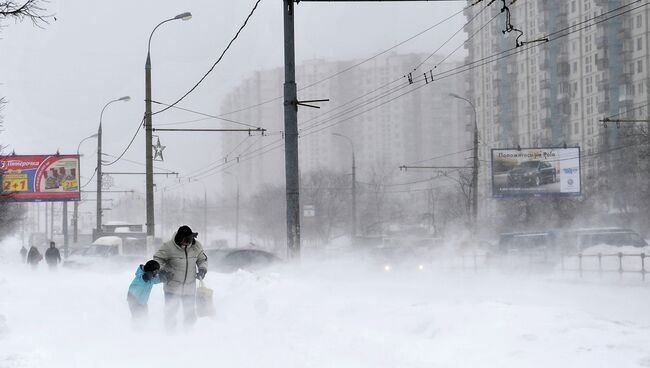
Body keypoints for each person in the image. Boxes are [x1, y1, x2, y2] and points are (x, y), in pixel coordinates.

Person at [154, 225, 208, 330]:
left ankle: (189, 335)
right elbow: (158, 259)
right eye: (185, 240)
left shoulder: (196, 247)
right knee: (170, 314)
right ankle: (170, 336)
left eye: (190, 240)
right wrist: (162, 271)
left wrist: (202, 269)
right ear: (179, 238)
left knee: (190, 315)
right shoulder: (168, 247)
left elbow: (202, 259)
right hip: (172, 288)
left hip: (189, 289)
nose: (188, 243)